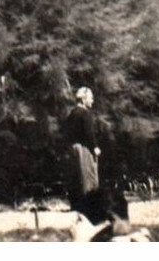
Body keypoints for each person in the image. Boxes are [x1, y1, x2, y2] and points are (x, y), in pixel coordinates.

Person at [63, 87, 103, 225]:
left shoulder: (71, 114)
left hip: (72, 149)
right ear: (83, 98)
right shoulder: (85, 114)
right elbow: (89, 133)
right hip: (84, 149)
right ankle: (89, 206)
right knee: (88, 177)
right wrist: (95, 148)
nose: (92, 100)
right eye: (90, 97)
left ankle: (76, 206)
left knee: (76, 178)